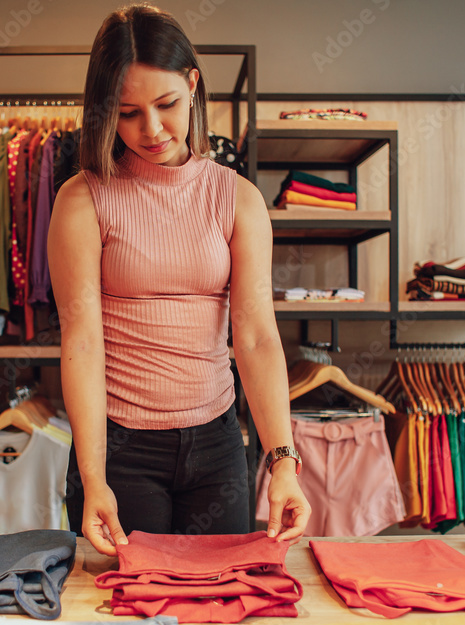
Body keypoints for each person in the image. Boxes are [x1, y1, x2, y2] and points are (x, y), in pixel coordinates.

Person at [48, 3, 309, 557]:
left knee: (220, 610)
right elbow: (82, 340)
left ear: (193, 84)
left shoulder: (236, 197)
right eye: (127, 113)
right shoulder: (81, 199)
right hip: (120, 449)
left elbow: (257, 335)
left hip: (216, 445)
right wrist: (93, 476)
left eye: (166, 104)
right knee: (125, 620)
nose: (152, 129)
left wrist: (282, 462)